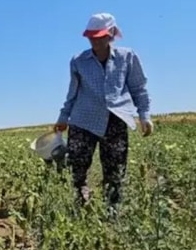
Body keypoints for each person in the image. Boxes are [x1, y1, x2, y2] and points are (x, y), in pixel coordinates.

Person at [54, 12, 153, 213]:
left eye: (99, 37)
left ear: (111, 34)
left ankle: (112, 211)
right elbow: (72, 93)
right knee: (77, 169)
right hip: (83, 121)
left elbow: (138, 88)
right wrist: (63, 117)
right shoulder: (78, 61)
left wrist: (144, 115)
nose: (95, 41)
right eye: (91, 37)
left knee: (115, 170)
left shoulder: (127, 57)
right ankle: (80, 207)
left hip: (115, 120)